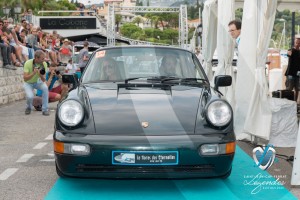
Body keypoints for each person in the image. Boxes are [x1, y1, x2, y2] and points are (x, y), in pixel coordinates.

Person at [23, 50, 49, 116]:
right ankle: (28, 108)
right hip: (28, 83)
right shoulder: (28, 63)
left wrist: (40, 74)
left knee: (45, 88)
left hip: (38, 82)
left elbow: (43, 80)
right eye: (42, 58)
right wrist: (34, 73)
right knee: (30, 96)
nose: (44, 60)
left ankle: (45, 110)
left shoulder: (44, 64)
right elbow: (25, 78)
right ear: (36, 58)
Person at [285, 37, 300, 101]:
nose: (297, 44)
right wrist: (290, 51)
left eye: (299, 43)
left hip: (298, 75)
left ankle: (295, 103)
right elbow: (288, 54)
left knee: (297, 90)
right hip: (290, 74)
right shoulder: (290, 50)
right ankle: (288, 104)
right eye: (296, 42)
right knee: (289, 90)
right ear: (294, 42)